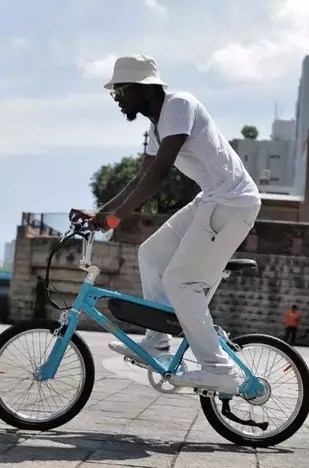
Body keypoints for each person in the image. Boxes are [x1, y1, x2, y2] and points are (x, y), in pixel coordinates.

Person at [71, 55, 261, 393]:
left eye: (120, 91)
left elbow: (159, 173)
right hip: (212, 199)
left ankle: (219, 369)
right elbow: (142, 177)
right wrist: (101, 212)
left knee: (181, 281)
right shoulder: (157, 126)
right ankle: (157, 343)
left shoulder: (179, 105)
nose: (117, 99)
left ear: (144, 88)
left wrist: (116, 218)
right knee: (152, 254)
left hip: (233, 202)